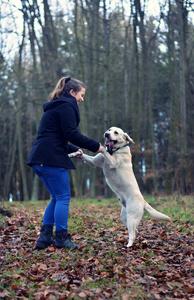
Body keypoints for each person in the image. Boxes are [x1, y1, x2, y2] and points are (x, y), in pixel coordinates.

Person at [27, 76, 104, 250]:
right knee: (63, 197)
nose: (82, 99)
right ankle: (61, 237)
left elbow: (55, 136)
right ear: (72, 92)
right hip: (50, 160)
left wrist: (72, 150)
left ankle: (45, 238)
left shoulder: (56, 106)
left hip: (40, 159)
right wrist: (96, 146)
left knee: (56, 197)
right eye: (81, 95)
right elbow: (71, 133)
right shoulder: (67, 106)